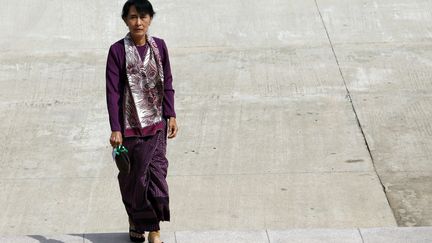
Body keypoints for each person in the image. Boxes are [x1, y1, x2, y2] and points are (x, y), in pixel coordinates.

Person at [105, 0, 178, 242]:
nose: (139, 22)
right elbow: (113, 91)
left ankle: (154, 229)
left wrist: (171, 114)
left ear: (150, 19)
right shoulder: (117, 51)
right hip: (130, 128)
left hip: (156, 125)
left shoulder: (160, 47)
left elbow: (167, 82)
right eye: (133, 17)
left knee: (156, 176)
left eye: (143, 17)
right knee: (134, 179)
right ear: (126, 20)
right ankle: (136, 220)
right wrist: (115, 128)